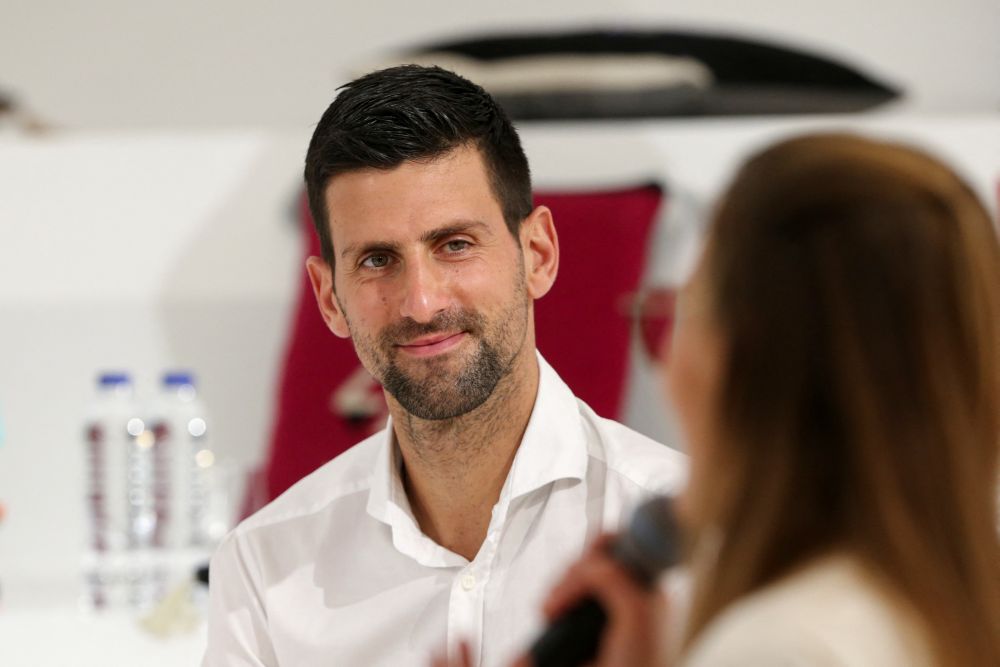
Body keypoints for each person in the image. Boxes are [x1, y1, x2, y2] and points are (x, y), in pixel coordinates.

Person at [202, 65, 687, 666]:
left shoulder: (705, 547)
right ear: (329, 299)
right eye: (377, 260)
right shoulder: (262, 568)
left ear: (537, 254)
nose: (422, 303)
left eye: (455, 245)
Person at [475, 133, 1000, 666]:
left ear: (745, 359)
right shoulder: (952, 606)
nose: (667, 361)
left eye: (687, 306)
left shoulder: (784, 644)